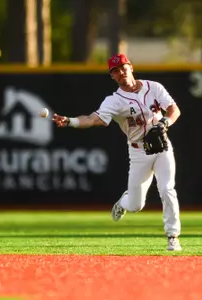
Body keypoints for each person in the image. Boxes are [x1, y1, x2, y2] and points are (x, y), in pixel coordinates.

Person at [52, 54, 182, 250]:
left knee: (167, 189)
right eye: (115, 71)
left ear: (130, 67)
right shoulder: (114, 101)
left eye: (123, 67)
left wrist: (165, 122)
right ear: (112, 77)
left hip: (162, 146)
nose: (120, 73)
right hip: (139, 152)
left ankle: (172, 236)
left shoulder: (153, 87)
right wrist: (70, 121)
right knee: (136, 205)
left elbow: (174, 109)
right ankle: (124, 201)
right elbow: (93, 119)